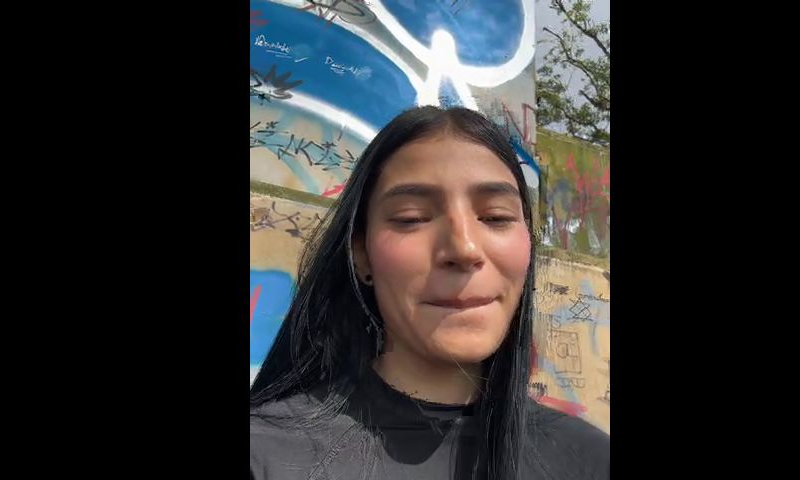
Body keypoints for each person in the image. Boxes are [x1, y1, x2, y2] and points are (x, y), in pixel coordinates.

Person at [250, 106, 609, 479]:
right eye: (412, 218)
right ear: (361, 255)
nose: (464, 248)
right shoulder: (265, 456)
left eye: (496, 217)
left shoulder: (591, 461)